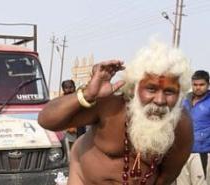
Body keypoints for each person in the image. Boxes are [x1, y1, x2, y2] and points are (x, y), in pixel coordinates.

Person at [38, 40, 193, 185]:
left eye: (169, 92)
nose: (160, 100)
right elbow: (47, 120)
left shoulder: (181, 125)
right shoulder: (110, 104)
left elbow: (166, 177)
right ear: (134, 87)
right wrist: (87, 95)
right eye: (151, 89)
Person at [175, 70, 210, 185]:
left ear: (208, 85)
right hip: (182, 154)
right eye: (195, 85)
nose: (198, 88)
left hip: (201, 153)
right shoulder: (184, 101)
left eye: (201, 85)